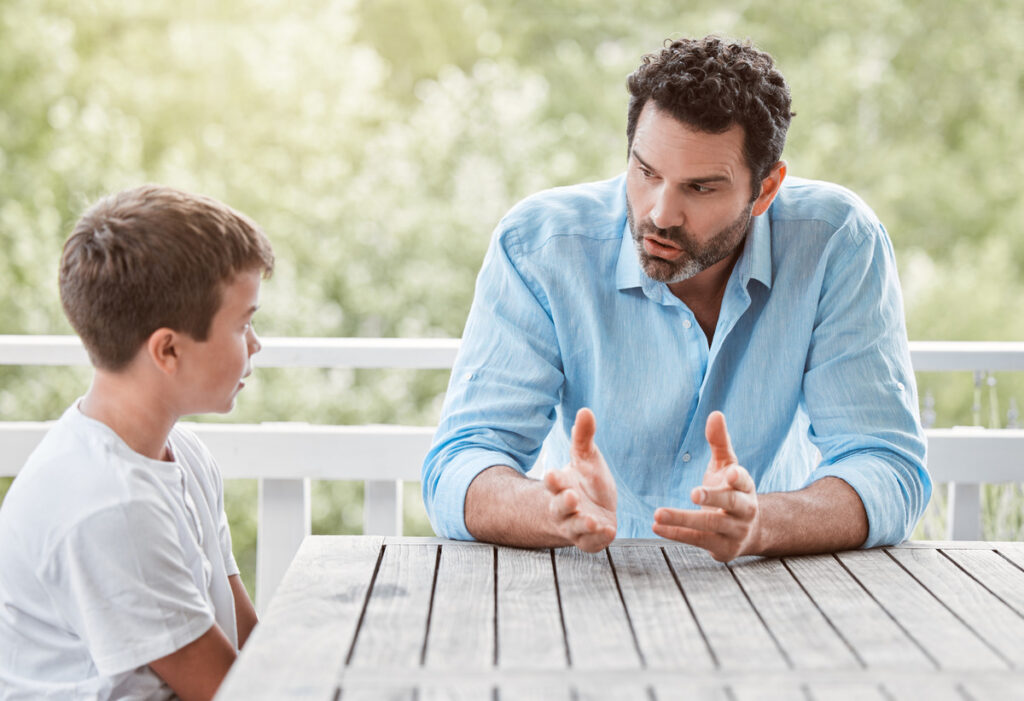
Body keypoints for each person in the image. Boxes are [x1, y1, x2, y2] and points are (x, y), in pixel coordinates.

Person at [422, 35, 930, 561]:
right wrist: (552, 512)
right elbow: (459, 466)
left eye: (701, 188)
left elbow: (886, 467)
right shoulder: (539, 247)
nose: (661, 213)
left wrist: (762, 525)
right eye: (646, 172)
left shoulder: (837, 241)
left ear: (766, 189)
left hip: (768, 587)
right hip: (587, 587)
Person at [0, 185, 274, 699]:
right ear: (167, 350)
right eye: (244, 324)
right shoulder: (108, 504)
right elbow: (230, 692)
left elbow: (248, 648)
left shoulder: (185, 454)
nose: (257, 344)